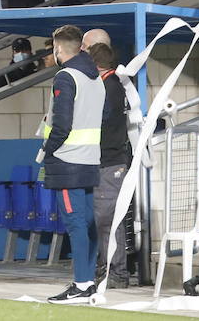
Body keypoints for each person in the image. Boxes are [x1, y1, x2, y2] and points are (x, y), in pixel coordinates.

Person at [42, 25, 106, 304]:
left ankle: (81, 286)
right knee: (88, 224)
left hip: (67, 160)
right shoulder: (95, 78)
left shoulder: (66, 77)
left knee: (76, 224)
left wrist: (48, 150)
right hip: (90, 159)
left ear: (58, 49)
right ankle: (88, 281)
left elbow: (62, 124)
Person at [87, 42, 133, 288]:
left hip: (109, 161)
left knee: (107, 220)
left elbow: (100, 121)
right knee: (106, 219)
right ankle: (108, 269)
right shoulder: (117, 85)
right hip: (110, 160)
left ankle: (116, 273)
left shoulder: (109, 88)